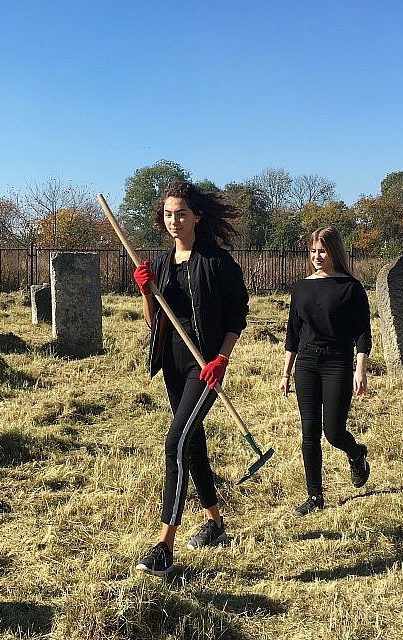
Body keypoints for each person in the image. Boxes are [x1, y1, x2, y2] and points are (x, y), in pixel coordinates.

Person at [131, 181, 249, 577]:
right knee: (192, 441)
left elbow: (237, 318)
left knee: (175, 440)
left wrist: (221, 358)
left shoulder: (217, 262)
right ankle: (215, 523)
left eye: (181, 213)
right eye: (167, 214)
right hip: (172, 362)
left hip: (204, 366)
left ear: (197, 215)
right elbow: (154, 322)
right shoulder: (163, 264)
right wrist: (147, 291)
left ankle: (165, 545)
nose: (174, 221)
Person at [279, 226, 372, 517]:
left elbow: (362, 333)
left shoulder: (351, 288)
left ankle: (357, 454)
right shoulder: (302, 288)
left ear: (335, 252)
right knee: (309, 434)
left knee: (332, 432)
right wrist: (285, 373)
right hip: (306, 364)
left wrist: (360, 370)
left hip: (337, 363)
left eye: (323, 251)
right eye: (313, 251)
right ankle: (315, 496)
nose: (317, 256)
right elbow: (293, 333)